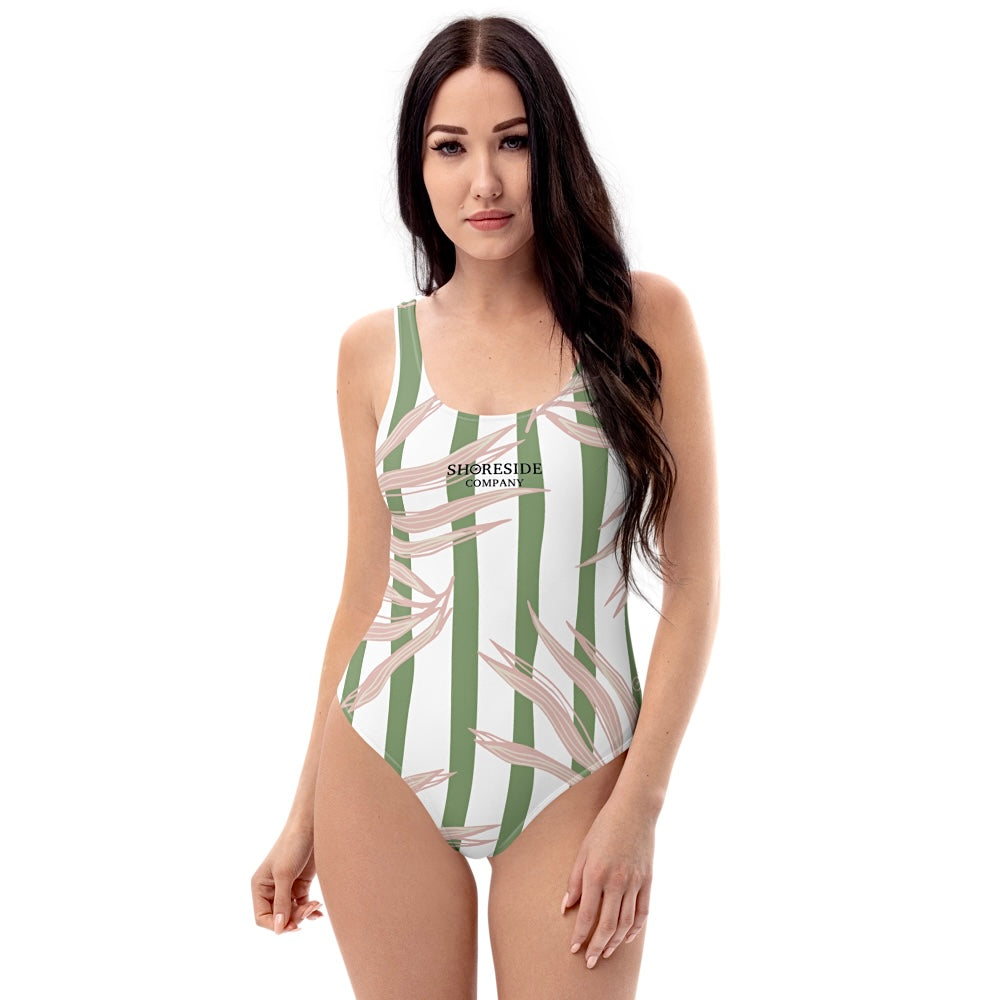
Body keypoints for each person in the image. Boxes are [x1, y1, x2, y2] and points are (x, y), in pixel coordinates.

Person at [251, 15, 719, 999]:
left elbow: (692, 587)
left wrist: (639, 809)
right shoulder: (374, 352)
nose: (485, 182)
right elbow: (365, 592)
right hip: (381, 759)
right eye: (450, 148)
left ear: (553, 150)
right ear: (415, 168)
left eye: (513, 141)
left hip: (577, 769)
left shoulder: (643, 324)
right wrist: (303, 814)